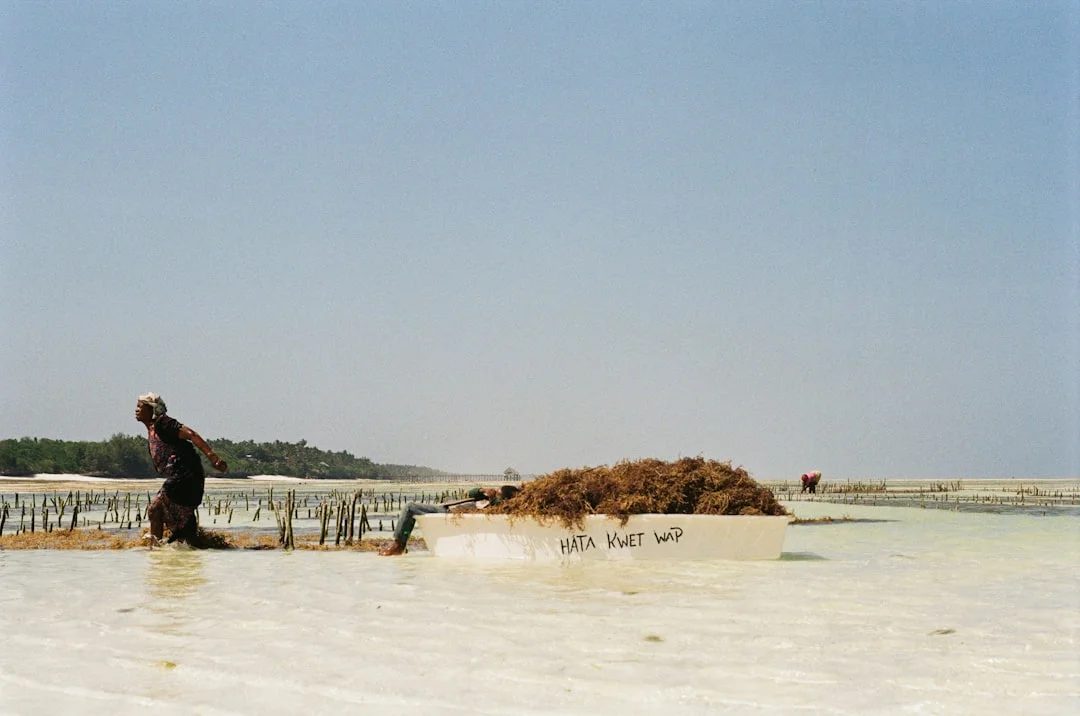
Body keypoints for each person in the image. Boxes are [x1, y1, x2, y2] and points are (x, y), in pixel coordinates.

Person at [135, 393, 228, 545]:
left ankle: (155, 551)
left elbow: (191, 434)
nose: (136, 410)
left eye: (140, 406)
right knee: (185, 536)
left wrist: (213, 458)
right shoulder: (154, 429)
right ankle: (190, 547)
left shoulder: (163, 424)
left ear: (151, 409)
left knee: (154, 509)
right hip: (186, 478)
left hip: (186, 476)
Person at [378, 485, 520, 556]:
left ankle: (399, 545)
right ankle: (400, 543)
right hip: (447, 510)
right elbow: (470, 493)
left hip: (448, 513)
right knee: (411, 508)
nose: (496, 492)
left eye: (499, 493)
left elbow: (499, 505)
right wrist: (482, 490)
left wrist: (493, 498)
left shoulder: (496, 505)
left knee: (410, 507)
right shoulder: (485, 499)